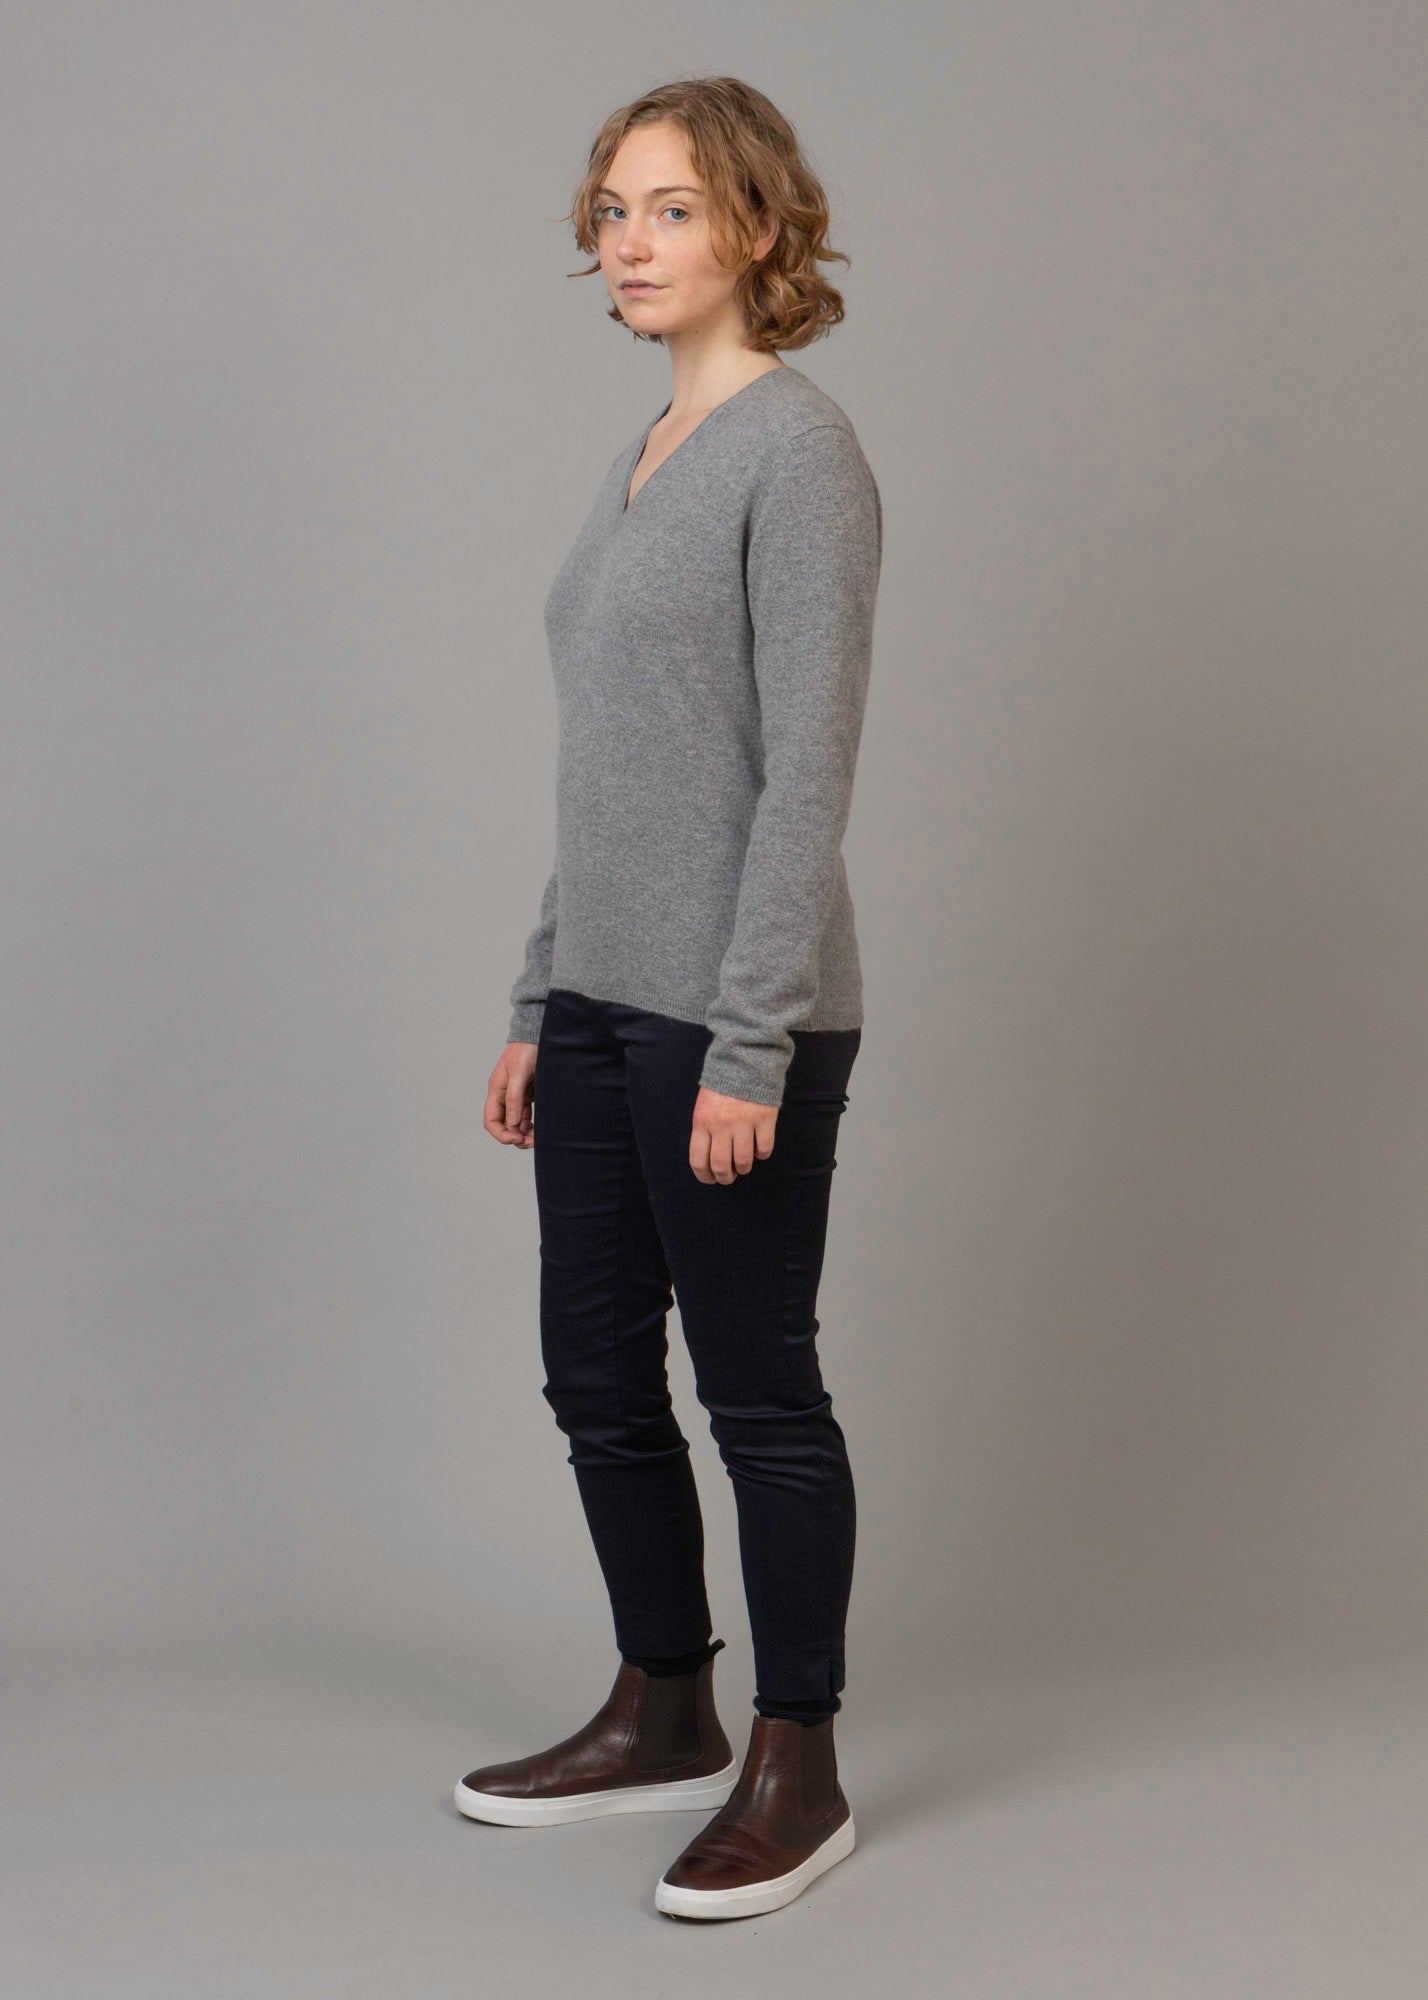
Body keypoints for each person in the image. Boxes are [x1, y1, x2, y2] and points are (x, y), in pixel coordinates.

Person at [455, 76, 883, 1922]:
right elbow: (618, 771)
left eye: (674, 210)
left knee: (757, 1390)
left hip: (732, 1014)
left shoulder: (801, 455)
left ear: (760, 230)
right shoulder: (646, 446)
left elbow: (802, 777)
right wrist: (540, 995)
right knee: (593, 1373)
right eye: (614, 211)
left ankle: (800, 1763)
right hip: (604, 1002)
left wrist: (752, 1035)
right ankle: (662, 1707)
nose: (629, 244)